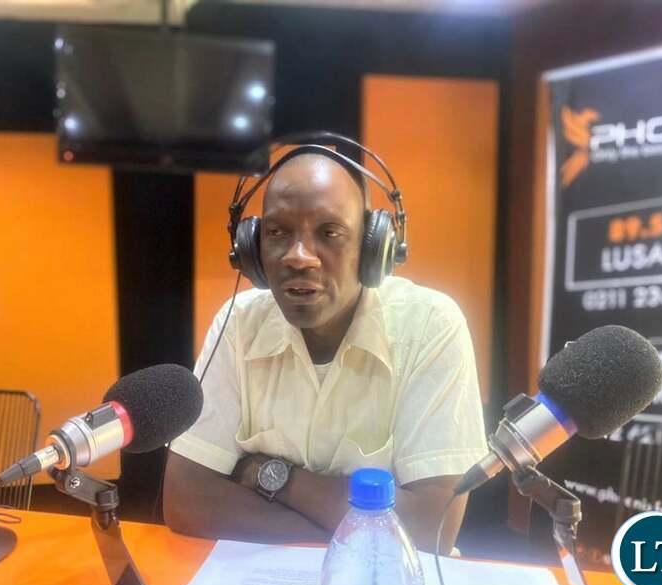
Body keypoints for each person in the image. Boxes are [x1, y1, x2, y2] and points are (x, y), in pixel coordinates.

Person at [163, 147, 488, 553]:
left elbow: (427, 530)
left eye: (329, 232)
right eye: (278, 232)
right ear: (250, 249)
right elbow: (186, 500)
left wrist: (273, 475)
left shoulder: (430, 327)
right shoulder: (239, 324)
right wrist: (360, 538)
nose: (299, 257)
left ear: (373, 248)